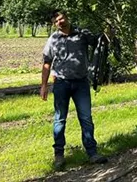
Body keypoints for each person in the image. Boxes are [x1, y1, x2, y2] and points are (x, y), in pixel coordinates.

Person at [40, 9, 107, 169]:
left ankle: (92, 153)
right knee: (60, 119)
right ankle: (59, 156)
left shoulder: (82, 34)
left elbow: (99, 41)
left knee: (86, 118)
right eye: (56, 21)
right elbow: (47, 62)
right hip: (61, 84)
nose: (60, 22)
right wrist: (43, 85)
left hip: (81, 84)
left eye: (61, 18)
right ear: (53, 24)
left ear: (67, 17)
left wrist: (107, 30)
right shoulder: (53, 39)